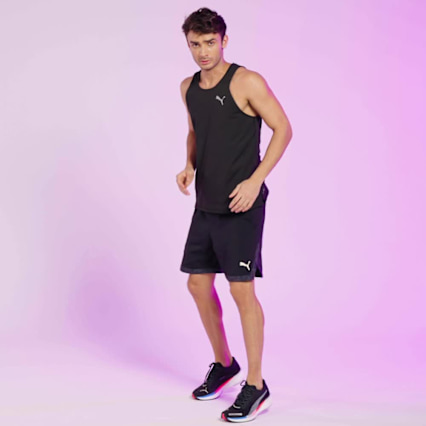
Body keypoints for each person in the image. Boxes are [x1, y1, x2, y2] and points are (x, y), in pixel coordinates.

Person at [176, 7, 292, 423]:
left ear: (224, 41)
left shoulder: (247, 82)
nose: (203, 52)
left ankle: (256, 386)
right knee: (197, 284)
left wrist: (255, 180)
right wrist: (189, 166)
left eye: (210, 43)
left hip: (242, 204)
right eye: (195, 44)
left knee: (241, 291)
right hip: (206, 203)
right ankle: (225, 364)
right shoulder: (188, 87)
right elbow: (195, 131)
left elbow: (283, 129)